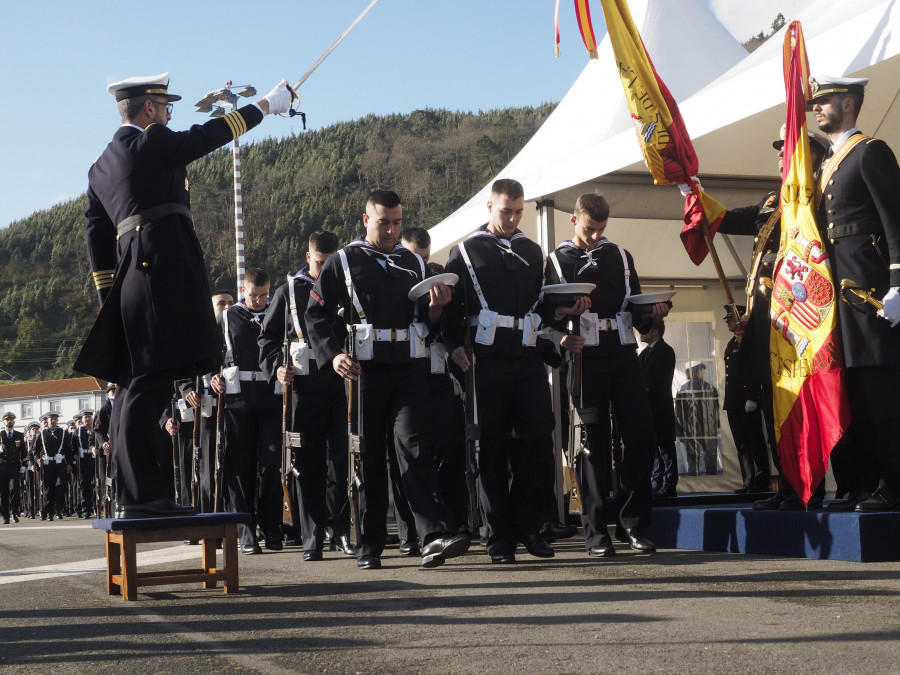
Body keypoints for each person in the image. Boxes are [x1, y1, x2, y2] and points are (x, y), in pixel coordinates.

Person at [73, 72, 295, 519]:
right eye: (166, 108)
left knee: (140, 380)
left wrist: (108, 300)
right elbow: (206, 136)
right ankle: (142, 498)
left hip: (132, 277)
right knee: (148, 381)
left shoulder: (100, 166)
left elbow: (96, 241)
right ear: (150, 110)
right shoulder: (149, 143)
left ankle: (137, 492)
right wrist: (267, 106)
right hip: (162, 268)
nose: (170, 117)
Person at [306, 189, 470, 570]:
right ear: (366, 220)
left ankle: (432, 535)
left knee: (414, 446)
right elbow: (315, 314)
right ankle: (370, 544)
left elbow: (428, 326)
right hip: (365, 371)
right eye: (384, 223)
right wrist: (333, 355)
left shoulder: (413, 261)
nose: (392, 230)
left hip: (410, 367)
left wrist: (437, 309)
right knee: (369, 457)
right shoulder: (344, 261)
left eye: (397, 222)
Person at [544, 193, 668, 557]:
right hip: (585, 355)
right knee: (590, 445)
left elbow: (638, 309)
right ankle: (595, 530)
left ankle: (632, 523)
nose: (596, 236)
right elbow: (544, 311)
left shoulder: (620, 256)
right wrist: (565, 317)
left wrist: (654, 313)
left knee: (641, 435)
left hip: (624, 352)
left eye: (601, 229)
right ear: (574, 220)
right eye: (589, 229)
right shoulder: (555, 259)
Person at [441, 178, 556, 564]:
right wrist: (455, 343)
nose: (512, 218)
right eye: (506, 211)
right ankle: (499, 537)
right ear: (489, 207)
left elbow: (544, 301)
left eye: (519, 211)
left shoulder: (532, 249)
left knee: (539, 437)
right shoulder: (466, 250)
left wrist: (562, 311)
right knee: (489, 449)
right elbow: (451, 309)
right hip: (485, 360)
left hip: (525, 358)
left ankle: (529, 525)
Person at [717, 125, 827, 508]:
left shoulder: (815, 196)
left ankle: (810, 486)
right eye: (779, 148)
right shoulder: (772, 200)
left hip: (799, 318)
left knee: (798, 401)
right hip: (767, 319)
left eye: (789, 148)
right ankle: (789, 486)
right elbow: (729, 219)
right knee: (770, 400)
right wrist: (691, 190)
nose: (781, 154)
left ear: (810, 154)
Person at [809, 75, 900, 511]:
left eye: (824, 101)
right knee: (857, 394)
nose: (816, 108)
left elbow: (894, 222)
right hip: (839, 299)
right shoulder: (828, 162)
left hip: (871, 294)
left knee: (882, 392)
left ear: (848, 103)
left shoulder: (869, 153)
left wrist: (899, 284)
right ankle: (866, 481)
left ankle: (895, 481)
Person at [259, 230, 355, 561]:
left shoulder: (347, 289)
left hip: (341, 386)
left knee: (342, 461)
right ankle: (312, 533)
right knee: (308, 463)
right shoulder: (289, 293)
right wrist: (276, 367)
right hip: (303, 389)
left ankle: (340, 529)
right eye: (319, 263)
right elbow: (267, 341)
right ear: (308, 258)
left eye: (331, 263)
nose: (326, 269)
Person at [210, 269, 282, 554]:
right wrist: (211, 377)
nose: (259, 300)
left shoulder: (278, 312)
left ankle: (272, 526)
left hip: (271, 399)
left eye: (264, 295)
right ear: (244, 289)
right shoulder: (227, 317)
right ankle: (246, 530)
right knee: (241, 467)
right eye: (254, 295)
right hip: (238, 401)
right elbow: (209, 353)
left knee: (273, 463)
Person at [722, 308, 770, 493]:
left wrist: (752, 396)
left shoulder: (749, 344)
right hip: (734, 400)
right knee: (741, 443)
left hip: (746, 399)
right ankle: (748, 480)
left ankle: (761, 479)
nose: (727, 323)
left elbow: (752, 370)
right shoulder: (731, 343)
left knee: (755, 441)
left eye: (730, 319)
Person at [638, 319, 678, 499]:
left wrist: (642, 389)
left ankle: (669, 483)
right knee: (653, 447)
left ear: (655, 331)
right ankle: (657, 481)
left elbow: (659, 380)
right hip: (646, 408)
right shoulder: (644, 353)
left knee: (665, 447)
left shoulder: (665, 351)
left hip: (660, 406)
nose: (641, 331)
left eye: (645, 328)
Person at [674, 363, 720, 476]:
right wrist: (717, 426)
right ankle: (711, 483)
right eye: (701, 370)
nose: (703, 372)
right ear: (696, 371)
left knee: (692, 460)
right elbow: (716, 409)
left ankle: (693, 482)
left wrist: (679, 431)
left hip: (690, 429)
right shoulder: (710, 388)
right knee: (710, 458)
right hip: (708, 428)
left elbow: (678, 413)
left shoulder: (682, 389)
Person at [32, 412, 74, 520]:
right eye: (51, 419)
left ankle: (58, 510)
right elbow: (35, 450)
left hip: (60, 464)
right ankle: (49, 512)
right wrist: (37, 459)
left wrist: (69, 463)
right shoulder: (41, 434)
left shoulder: (63, 433)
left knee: (60, 487)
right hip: (47, 465)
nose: (53, 421)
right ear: (47, 420)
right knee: (48, 489)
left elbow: (69, 449)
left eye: (55, 419)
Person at [1, 412, 27, 524]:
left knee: (15, 490)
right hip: (2, 469)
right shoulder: (0, 435)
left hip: (14, 468)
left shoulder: (19, 435)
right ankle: (5, 516)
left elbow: (24, 453)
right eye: (7, 420)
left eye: (11, 419)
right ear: (3, 422)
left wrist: (25, 465)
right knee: (3, 493)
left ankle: (14, 512)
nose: (9, 421)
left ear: (14, 422)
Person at [72, 409, 97, 518]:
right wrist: (74, 454)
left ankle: (96, 507)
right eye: (85, 417)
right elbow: (72, 446)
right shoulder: (77, 432)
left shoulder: (96, 429)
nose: (87, 419)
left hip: (95, 459)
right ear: (82, 419)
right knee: (84, 485)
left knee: (96, 485)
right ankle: (85, 509)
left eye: (89, 417)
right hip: (82, 460)